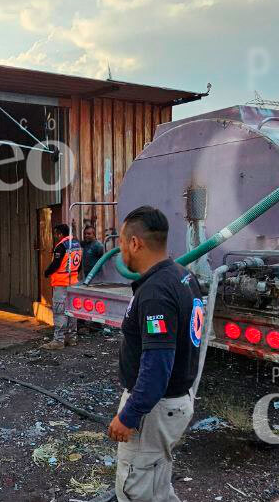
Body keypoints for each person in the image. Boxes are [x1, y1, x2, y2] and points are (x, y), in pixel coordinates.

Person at [107, 206, 204, 502]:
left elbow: (157, 364)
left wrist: (130, 414)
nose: (120, 249)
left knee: (135, 489)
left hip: (155, 408)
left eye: (122, 242)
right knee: (157, 482)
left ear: (136, 243)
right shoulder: (183, 276)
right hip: (174, 401)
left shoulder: (155, 292)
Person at [42, 223, 83, 350]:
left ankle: (58, 341)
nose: (55, 236)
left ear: (60, 233)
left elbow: (56, 264)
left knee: (60, 312)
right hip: (73, 282)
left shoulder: (61, 246)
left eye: (56, 234)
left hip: (61, 283)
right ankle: (72, 339)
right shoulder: (77, 244)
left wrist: (46, 272)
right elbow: (80, 264)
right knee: (72, 311)